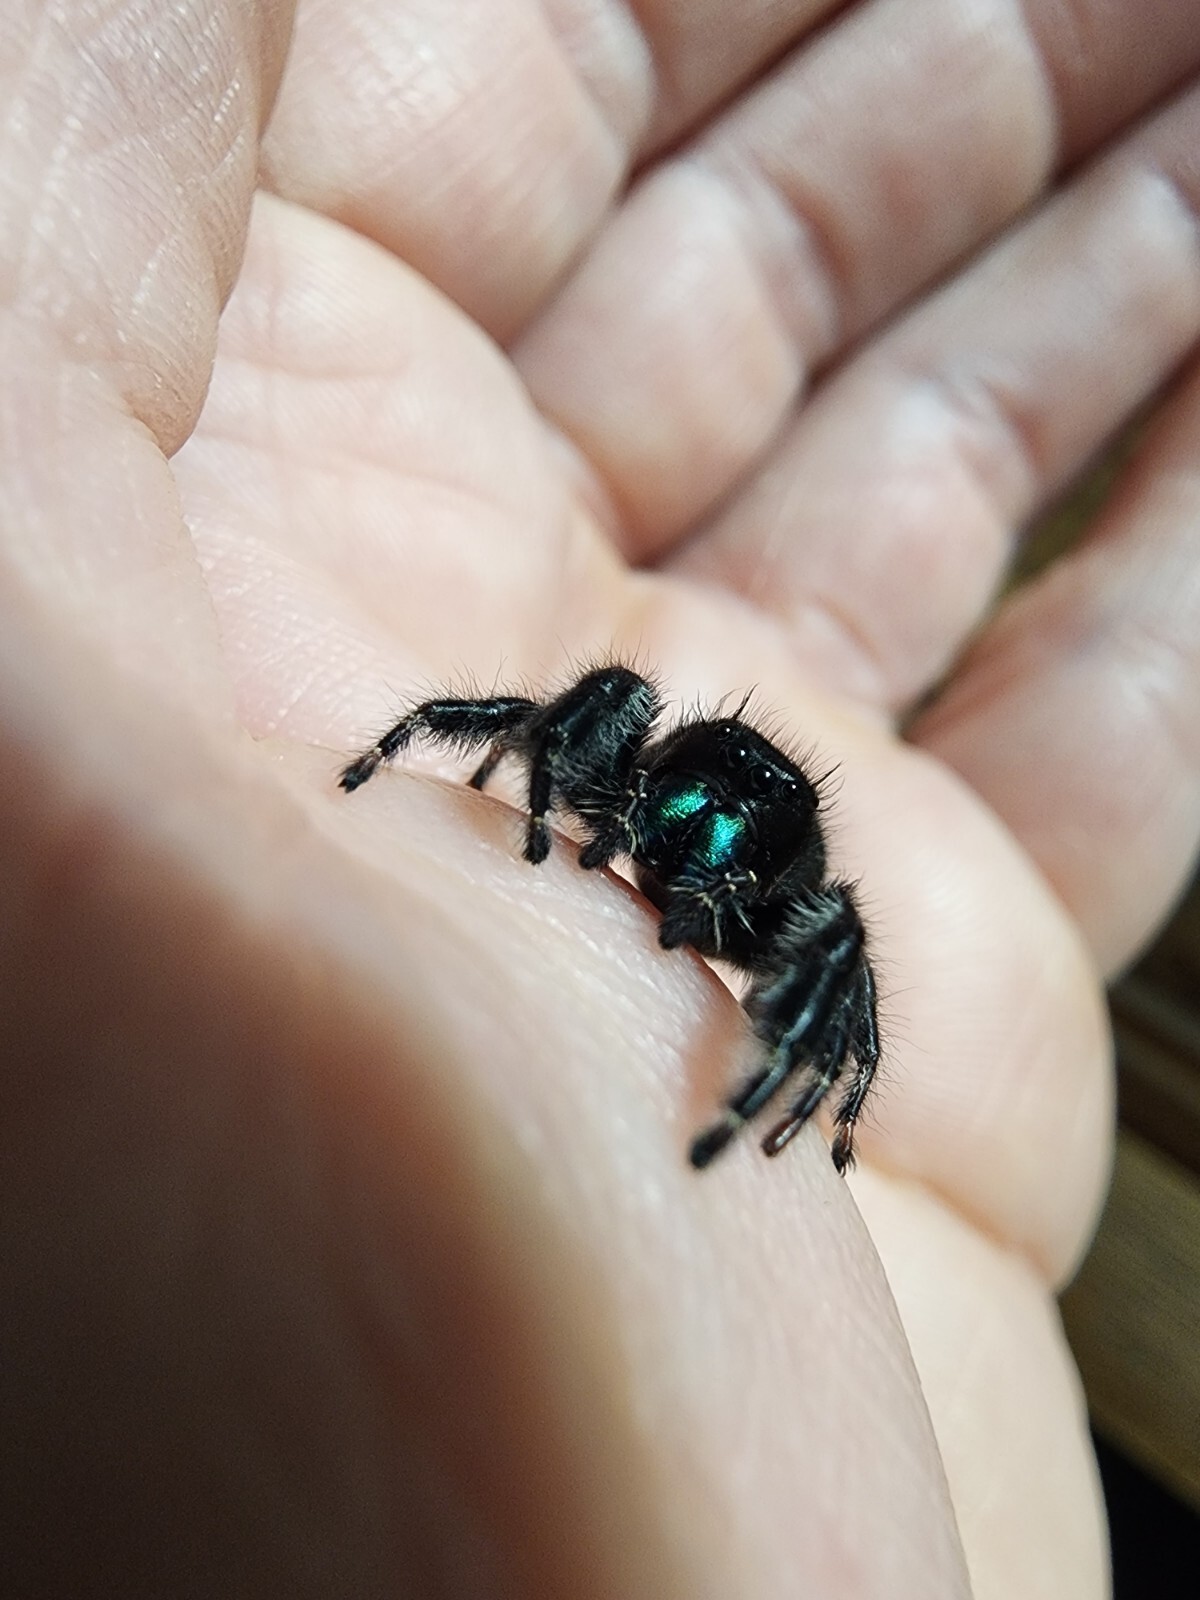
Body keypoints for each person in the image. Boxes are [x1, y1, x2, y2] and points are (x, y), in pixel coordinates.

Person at [3, 1, 1197, 1592]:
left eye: (714, 859)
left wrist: (807, 1101)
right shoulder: (634, 768)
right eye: (672, 831)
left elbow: (832, 967)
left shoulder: (791, 914)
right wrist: (437, 767)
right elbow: (583, 722)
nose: (682, 867)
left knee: (825, 940)